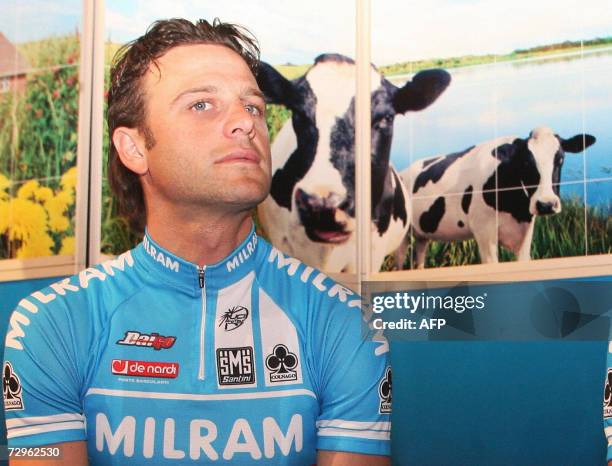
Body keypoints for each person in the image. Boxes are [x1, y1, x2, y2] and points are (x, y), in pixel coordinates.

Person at [3, 18, 391, 465]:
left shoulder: (343, 324)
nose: (245, 123)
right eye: (203, 104)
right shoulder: (50, 323)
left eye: (254, 107)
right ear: (134, 148)